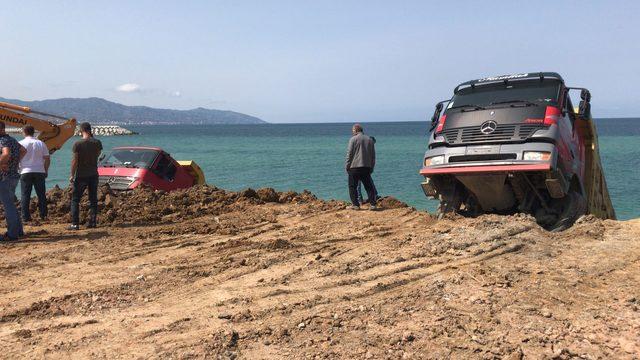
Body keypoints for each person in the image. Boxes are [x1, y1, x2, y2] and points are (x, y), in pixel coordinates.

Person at [69, 122, 102, 230]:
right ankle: (92, 222)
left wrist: (72, 175)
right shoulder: (97, 142)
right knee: (93, 199)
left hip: (81, 175)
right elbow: (97, 155)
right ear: (90, 130)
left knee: (75, 199)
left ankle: (75, 223)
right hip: (93, 174)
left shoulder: (78, 144)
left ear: (81, 130)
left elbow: (75, 161)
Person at [0, 122, 27, 241]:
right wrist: (14, 164)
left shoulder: (3, 140)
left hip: (5, 177)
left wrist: (3, 163)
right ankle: (18, 231)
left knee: (8, 205)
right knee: (10, 203)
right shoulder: (12, 139)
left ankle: (12, 234)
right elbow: (23, 150)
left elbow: (6, 153)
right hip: (14, 176)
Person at [19, 125, 50, 222]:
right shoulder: (41, 143)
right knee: (41, 195)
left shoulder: (20, 143)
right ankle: (43, 215)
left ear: (24, 132)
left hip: (25, 171)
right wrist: (45, 170)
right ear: (34, 132)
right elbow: (47, 159)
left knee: (25, 195)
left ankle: (25, 217)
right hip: (39, 171)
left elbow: (16, 158)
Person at [345, 123, 377, 210]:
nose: (352, 132)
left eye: (352, 130)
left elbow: (349, 154)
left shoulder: (353, 139)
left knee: (352, 186)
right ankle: (373, 204)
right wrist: (372, 167)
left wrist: (347, 166)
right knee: (368, 186)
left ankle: (355, 205)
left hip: (354, 167)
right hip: (366, 167)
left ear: (356, 130)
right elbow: (373, 156)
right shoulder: (369, 139)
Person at [356, 136, 380, 204]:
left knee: (366, 183)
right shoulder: (366, 148)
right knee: (361, 184)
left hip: (363, 167)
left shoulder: (365, 147)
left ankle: (373, 196)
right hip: (361, 167)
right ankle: (361, 199)